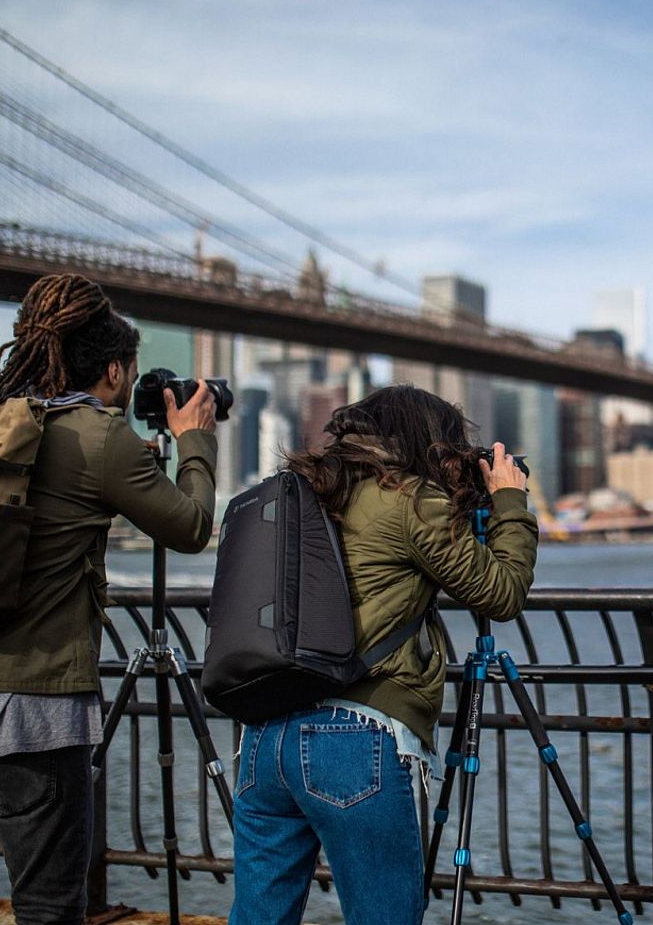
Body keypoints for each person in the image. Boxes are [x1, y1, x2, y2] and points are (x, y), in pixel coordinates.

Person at [0, 273, 218, 925]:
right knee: (47, 913)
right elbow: (192, 526)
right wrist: (194, 439)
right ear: (118, 372)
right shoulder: (96, 436)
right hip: (32, 718)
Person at [228, 384, 538, 925]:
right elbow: (502, 593)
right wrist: (509, 498)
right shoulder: (411, 499)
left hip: (263, 737)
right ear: (426, 442)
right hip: (353, 737)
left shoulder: (300, 488)